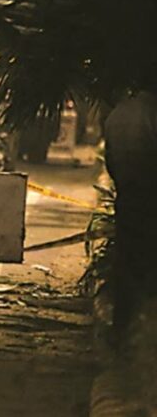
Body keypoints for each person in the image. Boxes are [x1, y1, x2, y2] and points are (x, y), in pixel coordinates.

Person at [104, 76, 157, 342]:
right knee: (149, 264)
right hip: (150, 197)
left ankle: (122, 328)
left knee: (126, 262)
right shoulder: (152, 113)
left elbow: (110, 161)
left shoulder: (119, 113)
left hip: (127, 197)